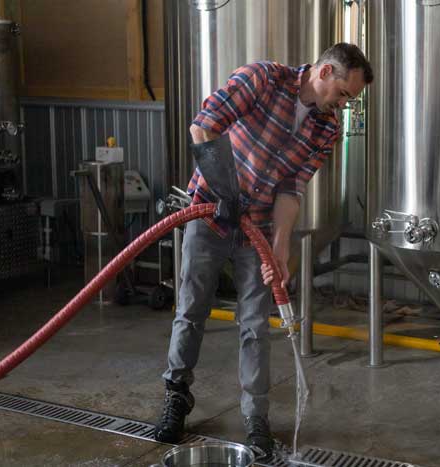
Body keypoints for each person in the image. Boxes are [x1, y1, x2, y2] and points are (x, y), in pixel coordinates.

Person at [154, 42, 373, 459]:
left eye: (350, 100)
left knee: (255, 323)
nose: (343, 105)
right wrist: (223, 189)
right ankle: (176, 397)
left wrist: (279, 247)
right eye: (344, 94)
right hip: (209, 215)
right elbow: (203, 126)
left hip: (258, 227)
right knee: (191, 310)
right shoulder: (264, 78)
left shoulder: (326, 128)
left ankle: (256, 417)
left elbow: (292, 187)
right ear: (325, 73)